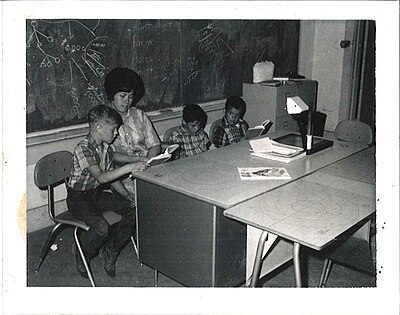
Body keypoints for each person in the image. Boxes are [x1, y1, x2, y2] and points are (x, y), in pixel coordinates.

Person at [66, 105, 148, 278]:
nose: (117, 133)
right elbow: (102, 177)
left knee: (133, 208)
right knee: (101, 226)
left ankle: (111, 250)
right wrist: (130, 167)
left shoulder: (105, 147)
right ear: (99, 128)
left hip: (95, 194)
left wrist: (127, 195)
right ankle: (82, 253)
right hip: (78, 198)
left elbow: (112, 178)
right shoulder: (83, 149)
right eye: (114, 129)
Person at [104, 67, 162, 194]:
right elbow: (108, 156)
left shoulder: (139, 115)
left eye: (130, 96)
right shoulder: (102, 120)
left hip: (147, 170)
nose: (127, 101)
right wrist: (136, 162)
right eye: (122, 96)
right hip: (122, 177)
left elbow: (155, 145)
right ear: (111, 95)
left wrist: (147, 164)